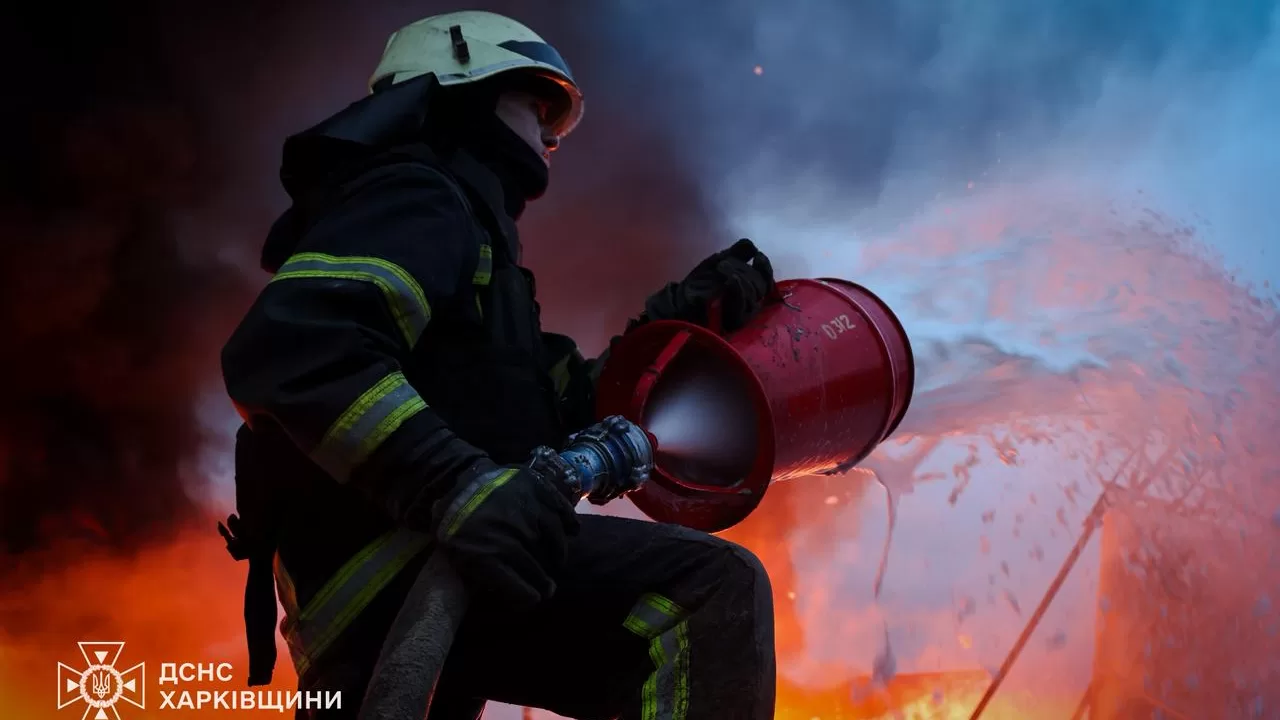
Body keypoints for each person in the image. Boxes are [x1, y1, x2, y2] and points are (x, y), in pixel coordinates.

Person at [218, 10, 778, 720]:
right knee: (704, 591)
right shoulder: (416, 195)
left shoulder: (480, 256)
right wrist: (457, 485)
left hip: (421, 566)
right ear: (465, 88)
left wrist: (675, 324)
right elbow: (294, 348)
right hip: (395, 563)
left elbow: (558, 406)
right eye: (536, 102)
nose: (548, 134)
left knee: (636, 670)